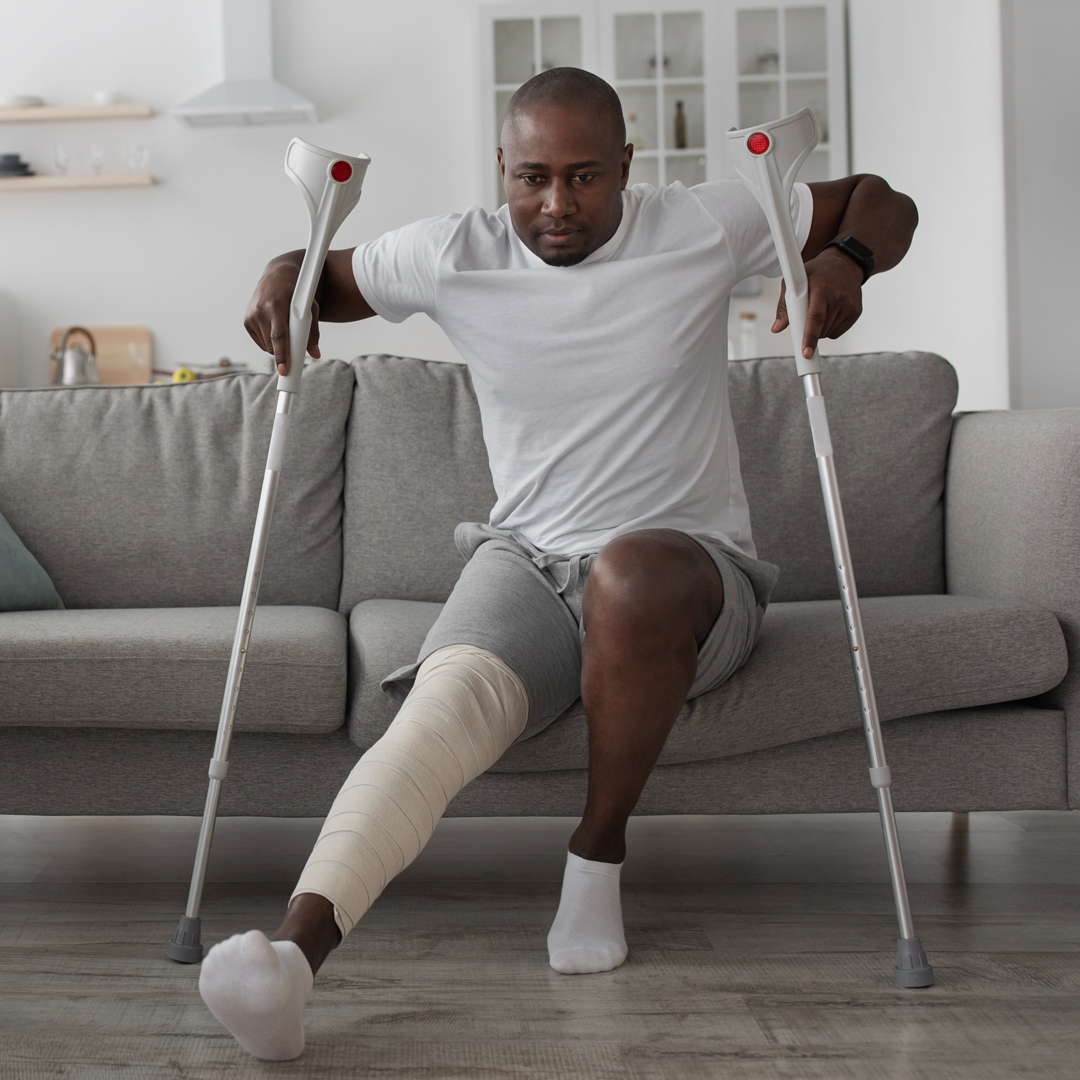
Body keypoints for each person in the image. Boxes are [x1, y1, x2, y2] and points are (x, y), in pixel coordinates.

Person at [197, 67, 918, 1060]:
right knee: (442, 710)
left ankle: (597, 853)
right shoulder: (458, 251)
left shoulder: (702, 223)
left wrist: (844, 260)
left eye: (585, 178)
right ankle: (289, 961)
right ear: (503, 168)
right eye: (532, 177)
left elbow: (886, 201)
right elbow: (324, 270)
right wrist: (282, 276)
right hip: (529, 563)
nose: (556, 205)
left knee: (629, 572)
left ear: (628, 168)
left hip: (690, 572)